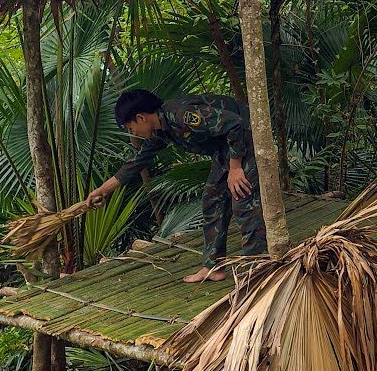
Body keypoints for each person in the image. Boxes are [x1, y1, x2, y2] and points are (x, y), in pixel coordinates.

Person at [86, 89, 266, 282]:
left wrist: (236, 168)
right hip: (226, 149)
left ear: (141, 118)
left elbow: (234, 124)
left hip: (247, 138)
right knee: (213, 201)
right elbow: (137, 162)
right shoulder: (162, 130)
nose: (133, 133)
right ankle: (213, 267)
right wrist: (103, 191)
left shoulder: (181, 116)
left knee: (243, 199)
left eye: (131, 128)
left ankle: (257, 268)